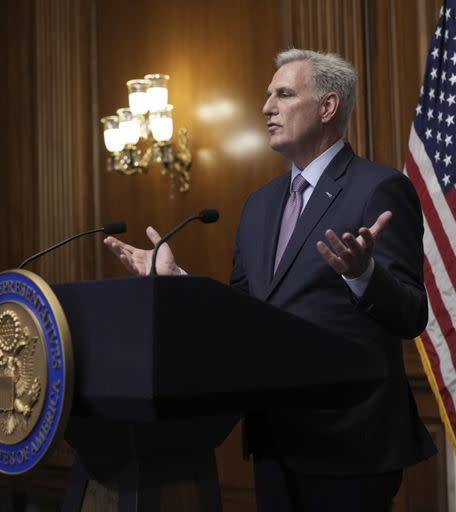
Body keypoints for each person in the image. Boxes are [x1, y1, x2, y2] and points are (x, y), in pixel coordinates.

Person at [104, 48, 435, 512]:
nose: (266, 107)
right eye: (267, 95)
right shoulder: (258, 205)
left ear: (327, 107)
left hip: (350, 443)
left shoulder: (377, 188)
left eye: (283, 94)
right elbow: (243, 315)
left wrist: (364, 275)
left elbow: (411, 313)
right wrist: (176, 279)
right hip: (274, 439)